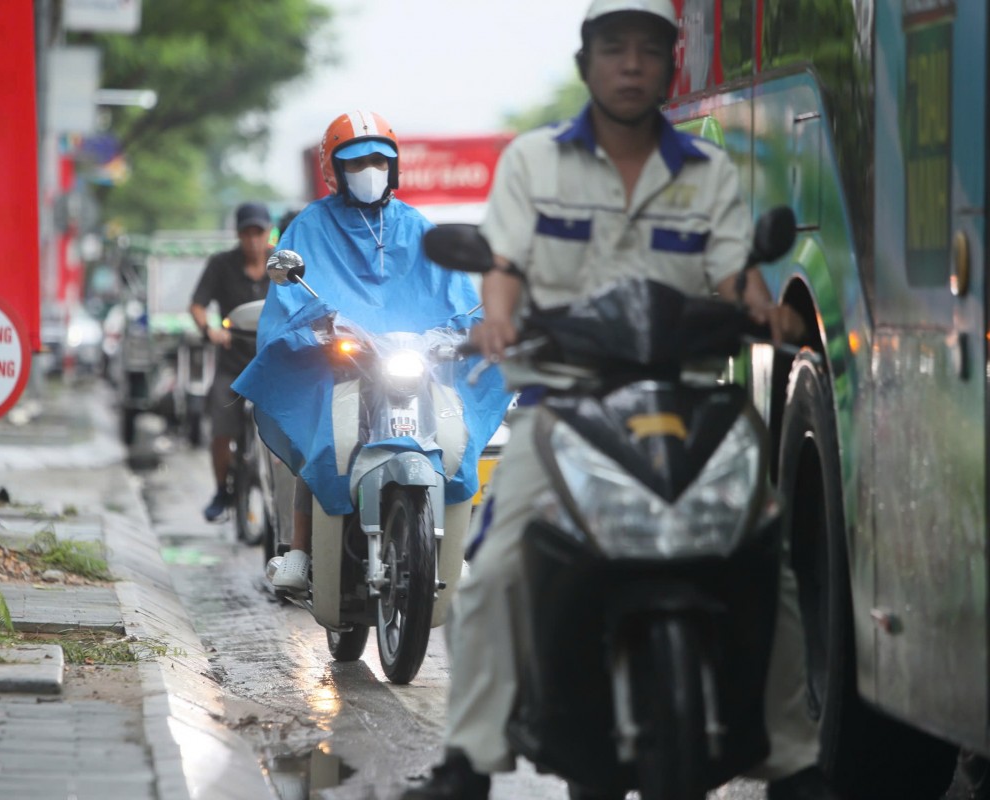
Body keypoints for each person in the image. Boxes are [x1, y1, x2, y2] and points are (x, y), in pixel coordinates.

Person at [402, 2, 832, 799]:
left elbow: (738, 273)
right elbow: (502, 263)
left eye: (647, 50)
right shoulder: (534, 162)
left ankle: (795, 760)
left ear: (673, 64)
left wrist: (765, 311)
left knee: (765, 561)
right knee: (495, 569)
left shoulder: (709, 175)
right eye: (613, 49)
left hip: (694, 400)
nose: (630, 64)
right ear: (587, 65)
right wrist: (496, 320)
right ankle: (469, 762)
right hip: (565, 403)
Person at [233, 110, 509, 593]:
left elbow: (458, 295)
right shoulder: (310, 226)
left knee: (457, 427)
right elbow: (293, 298)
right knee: (316, 433)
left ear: (394, 166)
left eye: (379, 160)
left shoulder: (416, 226)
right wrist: (325, 325)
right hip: (340, 361)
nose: (369, 170)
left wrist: (462, 329)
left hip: (412, 359)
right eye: (357, 163)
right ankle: (299, 550)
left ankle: (452, 547)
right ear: (333, 170)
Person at [190, 201, 273, 522]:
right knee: (220, 430)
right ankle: (222, 491)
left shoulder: (281, 264)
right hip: (232, 365)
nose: (253, 240)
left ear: (269, 233)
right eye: (246, 233)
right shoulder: (221, 264)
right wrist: (210, 329)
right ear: (237, 235)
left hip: (272, 366)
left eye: (259, 232)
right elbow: (197, 305)